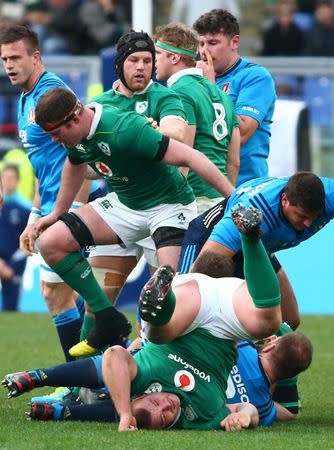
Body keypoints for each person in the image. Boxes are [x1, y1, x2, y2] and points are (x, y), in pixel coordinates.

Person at [3, 206, 312, 430]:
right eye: (166, 414)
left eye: (154, 405)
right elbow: (258, 411)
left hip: (189, 300)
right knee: (269, 321)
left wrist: (124, 413)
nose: (166, 405)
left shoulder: (148, 378)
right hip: (217, 308)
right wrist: (245, 417)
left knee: (161, 334)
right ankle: (253, 240)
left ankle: (160, 305)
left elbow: (113, 359)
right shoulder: (203, 416)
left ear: (143, 395)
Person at [32, 86, 235, 357]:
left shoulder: (124, 129)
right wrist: (58, 212)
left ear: (74, 118)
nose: (56, 140)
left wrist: (234, 197)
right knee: (51, 242)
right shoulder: (76, 135)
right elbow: (74, 163)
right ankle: (106, 320)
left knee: (169, 292)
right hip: (125, 204)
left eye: (57, 133)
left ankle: (173, 367)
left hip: (169, 206)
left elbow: (190, 156)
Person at [0, 25, 106, 403]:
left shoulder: (53, 94)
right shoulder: (23, 98)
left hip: (70, 207)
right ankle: (98, 374)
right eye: (4, 59)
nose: (9, 65)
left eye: (15, 57)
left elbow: (77, 154)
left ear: (36, 57)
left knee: (55, 293)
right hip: (48, 207)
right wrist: (33, 214)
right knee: (68, 297)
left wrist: (73, 212)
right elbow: (42, 166)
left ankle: (84, 385)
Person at [77, 30, 189, 349]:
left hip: (164, 210)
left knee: (166, 302)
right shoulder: (98, 106)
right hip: (122, 209)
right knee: (95, 302)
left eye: (147, 61)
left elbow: (177, 130)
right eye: (134, 60)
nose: (141, 67)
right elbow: (81, 165)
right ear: (119, 65)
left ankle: (157, 378)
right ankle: (84, 389)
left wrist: (153, 131)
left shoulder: (165, 97)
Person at [1, 325, 310, 427]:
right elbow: (277, 413)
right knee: (154, 410)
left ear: (268, 346)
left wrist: (143, 342)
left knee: (132, 362)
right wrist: (254, 412)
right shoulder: (261, 404)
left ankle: (44, 379)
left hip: (167, 367)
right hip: (190, 393)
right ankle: (64, 410)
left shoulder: (240, 344)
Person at [180, 172, 328, 330]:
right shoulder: (255, 208)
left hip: (255, 242)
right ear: (285, 200)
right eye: (302, 216)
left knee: (289, 321)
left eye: (314, 217)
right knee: (187, 307)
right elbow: (196, 277)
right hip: (211, 242)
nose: (308, 224)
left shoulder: (329, 197)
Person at [154, 22, 240, 213]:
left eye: (158, 53)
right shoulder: (223, 96)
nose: (153, 60)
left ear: (174, 57)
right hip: (220, 199)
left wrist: (173, 206)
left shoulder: (179, 92)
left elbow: (184, 153)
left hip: (193, 200)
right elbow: (234, 161)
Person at [193, 8, 276, 186]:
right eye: (201, 44)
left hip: (245, 187)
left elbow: (243, 132)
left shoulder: (255, 77)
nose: (204, 51)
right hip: (202, 187)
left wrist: (209, 87)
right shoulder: (192, 79)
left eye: (213, 43)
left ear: (234, 42)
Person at [0, 164, 30, 311]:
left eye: (12, 178)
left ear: (18, 181)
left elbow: (28, 241)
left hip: (13, 266)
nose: (8, 181)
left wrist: (10, 266)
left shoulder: (25, 209)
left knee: (10, 310)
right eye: (5, 177)